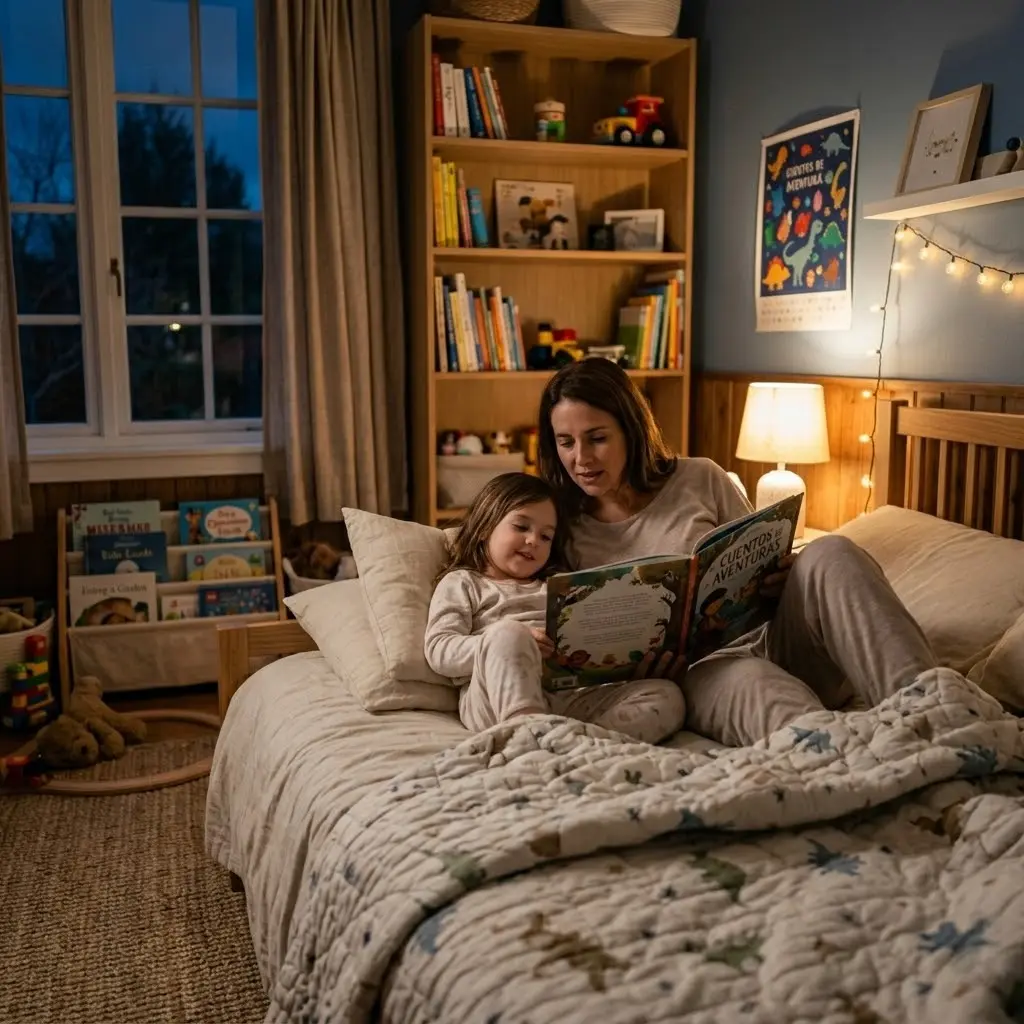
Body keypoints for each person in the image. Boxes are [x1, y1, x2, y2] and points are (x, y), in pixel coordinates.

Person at [538, 358, 939, 748]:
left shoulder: (700, 477)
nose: (580, 458)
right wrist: (634, 672)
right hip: (703, 673)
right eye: (565, 442)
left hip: (779, 641)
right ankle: (847, 755)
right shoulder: (559, 524)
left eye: (597, 438)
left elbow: (758, 547)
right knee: (762, 689)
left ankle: (933, 712)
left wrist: (787, 573)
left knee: (830, 549)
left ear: (631, 431)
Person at [423, 472, 685, 744]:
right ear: (484, 527)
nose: (533, 540)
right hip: (494, 698)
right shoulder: (464, 582)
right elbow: (439, 649)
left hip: (568, 696)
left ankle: (582, 745)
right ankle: (527, 734)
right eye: (521, 527)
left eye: (546, 536)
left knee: (666, 695)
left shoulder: (557, 587)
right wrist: (511, 640)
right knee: (508, 633)